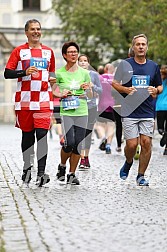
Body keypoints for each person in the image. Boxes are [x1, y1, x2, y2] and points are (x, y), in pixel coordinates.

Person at [4, 19, 56, 186]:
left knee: (42, 136)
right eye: (32, 29)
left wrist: (58, 90)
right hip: (25, 101)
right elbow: (7, 73)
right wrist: (24, 71)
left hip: (43, 100)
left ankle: (41, 173)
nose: (36, 32)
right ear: (26, 33)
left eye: (38, 29)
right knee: (28, 138)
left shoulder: (49, 52)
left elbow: (52, 76)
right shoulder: (19, 51)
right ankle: (27, 167)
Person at [112, 34, 162, 186]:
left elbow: (159, 86)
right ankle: (128, 163)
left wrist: (156, 91)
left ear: (147, 47)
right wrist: (125, 90)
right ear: (133, 48)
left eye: (143, 44)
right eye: (138, 44)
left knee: (146, 143)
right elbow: (114, 83)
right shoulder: (125, 64)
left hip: (147, 111)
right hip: (129, 111)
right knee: (132, 145)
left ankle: (141, 175)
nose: (141, 47)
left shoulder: (153, 66)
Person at [52, 41, 92, 185]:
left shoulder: (85, 73)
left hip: (82, 110)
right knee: (69, 143)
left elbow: (91, 94)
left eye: (75, 52)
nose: (73, 54)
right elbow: (54, 91)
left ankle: (72, 174)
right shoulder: (59, 73)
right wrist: (61, 94)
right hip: (67, 111)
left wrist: (87, 88)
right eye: (70, 52)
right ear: (64, 55)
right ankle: (62, 167)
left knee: (79, 144)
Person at [78, 54, 102, 169]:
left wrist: (93, 86)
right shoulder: (75, 74)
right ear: (78, 63)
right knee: (79, 133)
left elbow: (100, 90)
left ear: (88, 63)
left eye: (85, 61)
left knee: (87, 133)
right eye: (81, 61)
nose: (83, 63)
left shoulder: (94, 75)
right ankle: (81, 158)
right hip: (78, 107)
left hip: (91, 106)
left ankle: (85, 158)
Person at [97, 63, 115, 154]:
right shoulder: (115, 79)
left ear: (105, 69)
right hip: (112, 104)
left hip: (101, 104)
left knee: (99, 124)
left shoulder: (100, 78)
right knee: (110, 125)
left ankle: (103, 137)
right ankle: (108, 145)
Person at [156, 65, 167, 155]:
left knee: (160, 128)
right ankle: (166, 148)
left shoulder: (158, 82)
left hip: (160, 107)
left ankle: (163, 134)